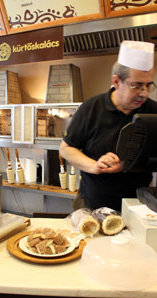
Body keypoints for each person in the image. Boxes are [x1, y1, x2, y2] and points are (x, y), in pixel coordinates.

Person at [59, 40, 157, 211]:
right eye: (137, 85)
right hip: (92, 204)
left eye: (148, 85)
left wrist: (128, 164)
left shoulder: (154, 111)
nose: (144, 93)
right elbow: (66, 149)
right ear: (117, 81)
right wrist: (94, 166)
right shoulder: (91, 108)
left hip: (140, 207)